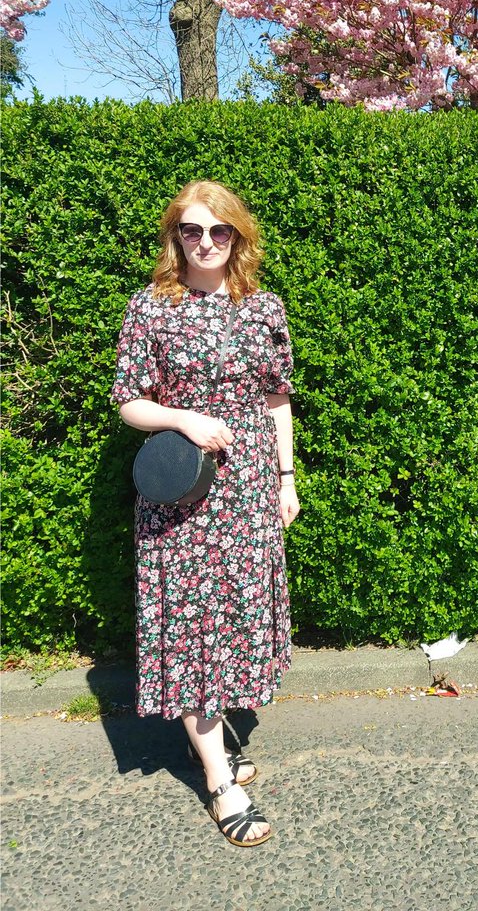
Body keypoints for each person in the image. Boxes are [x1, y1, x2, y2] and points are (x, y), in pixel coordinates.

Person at [111, 180, 299, 847]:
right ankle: (221, 781)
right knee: (192, 627)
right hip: (184, 499)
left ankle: (211, 738)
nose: (206, 243)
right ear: (176, 238)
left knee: (235, 617)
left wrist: (285, 478)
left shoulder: (263, 308)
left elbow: (277, 401)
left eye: (220, 231)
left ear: (238, 237)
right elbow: (129, 400)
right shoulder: (151, 309)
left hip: (248, 489)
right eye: (192, 231)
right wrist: (184, 417)